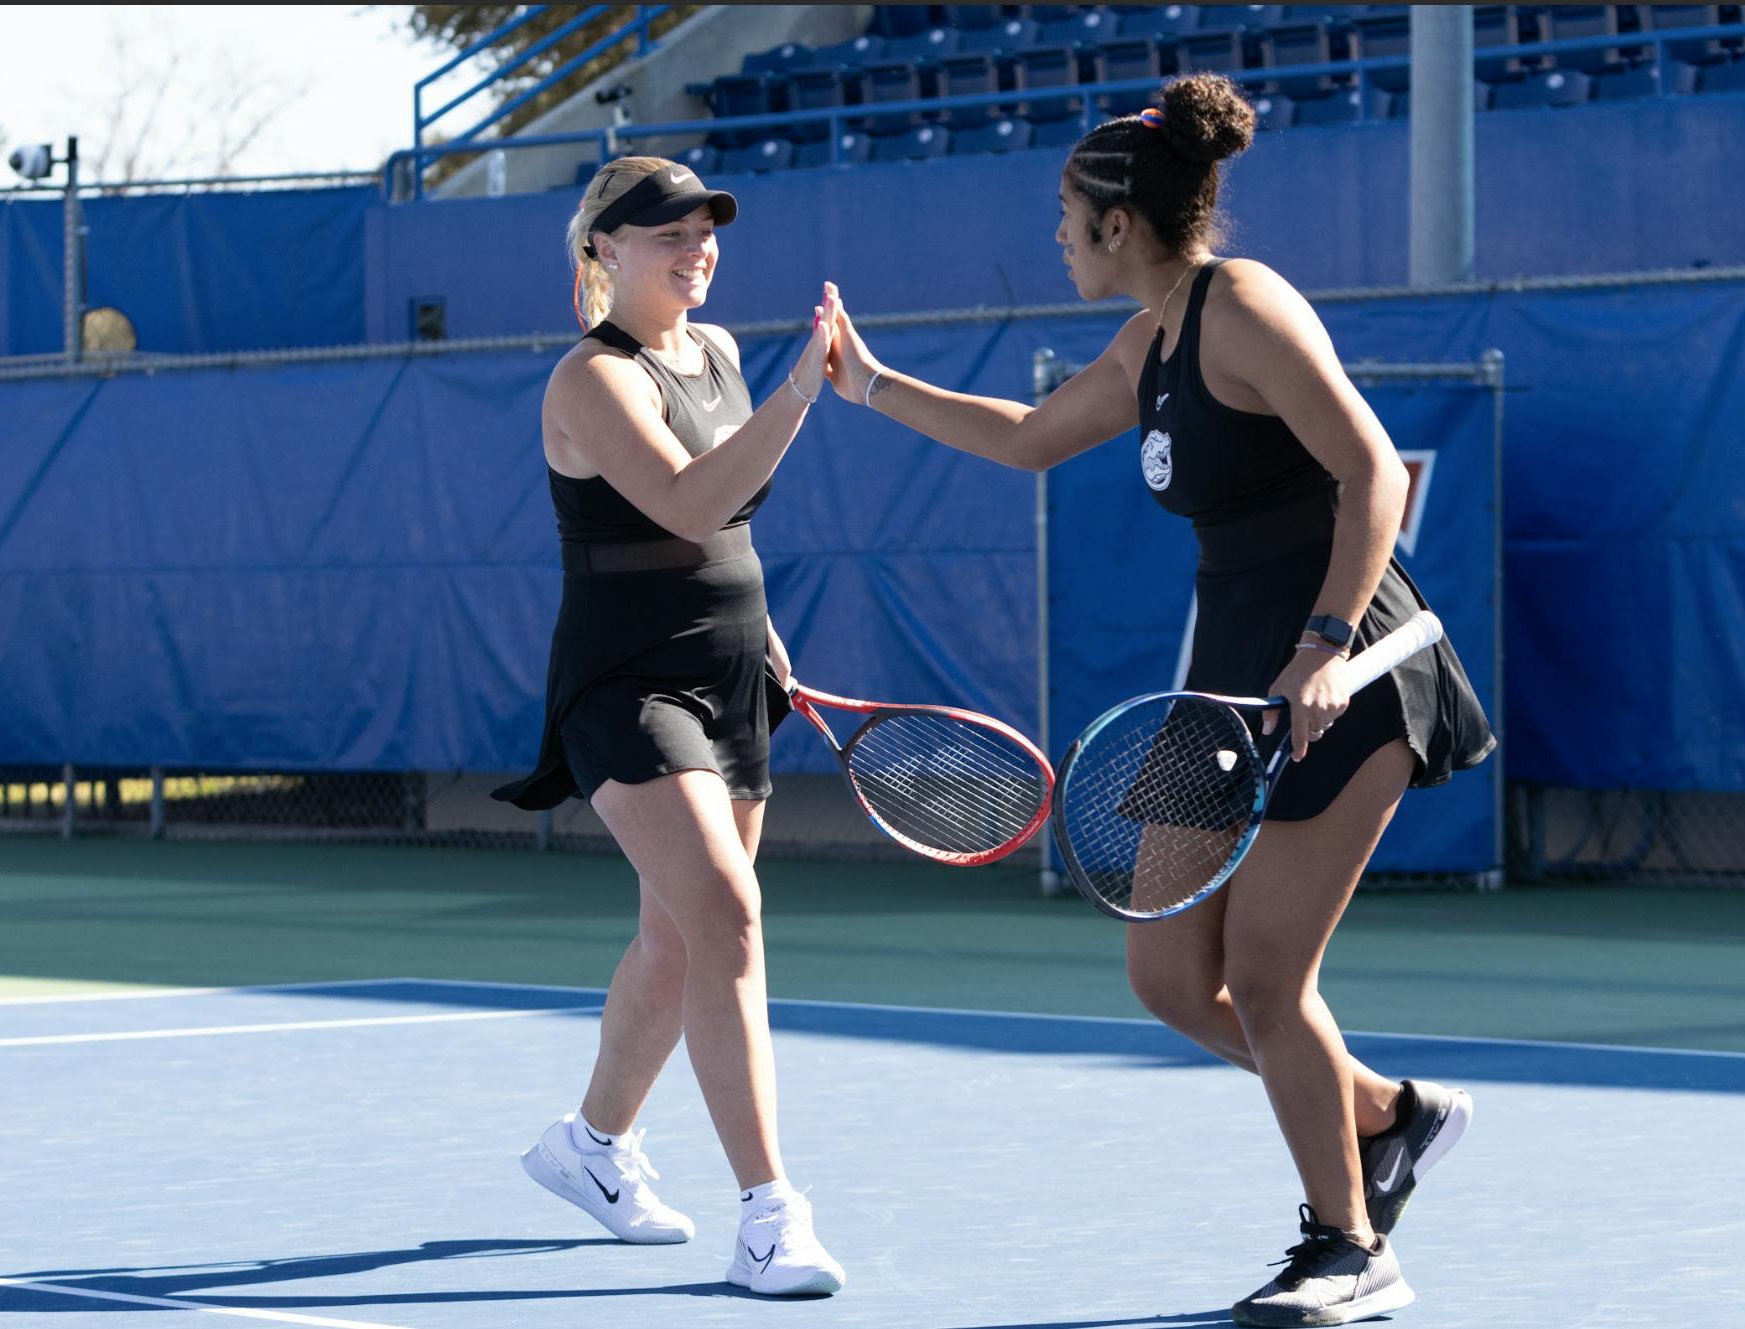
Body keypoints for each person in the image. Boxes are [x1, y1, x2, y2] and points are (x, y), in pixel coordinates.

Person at [819, 76, 1493, 1328]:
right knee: (1170, 975)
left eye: (1064, 218)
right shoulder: (1154, 335)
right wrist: (865, 384)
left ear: (1117, 222)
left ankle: (1349, 1245)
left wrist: (1327, 647)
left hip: (1342, 674)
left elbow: (1369, 472)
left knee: (1269, 976)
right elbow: (1027, 433)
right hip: (1226, 687)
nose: (1057, 238)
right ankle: (1389, 1118)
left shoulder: (1242, 308)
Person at [491, 156, 845, 1297]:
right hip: (626, 682)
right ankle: (770, 1215)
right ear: (602, 251)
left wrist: (766, 628)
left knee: (680, 936)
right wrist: (803, 394)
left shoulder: (722, 350)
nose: (696, 249)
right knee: (729, 913)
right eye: (664, 234)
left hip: (733, 664)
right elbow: (690, 499)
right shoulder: (591, 379)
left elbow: (722, 529)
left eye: (704, 230)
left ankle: (589, 1149)